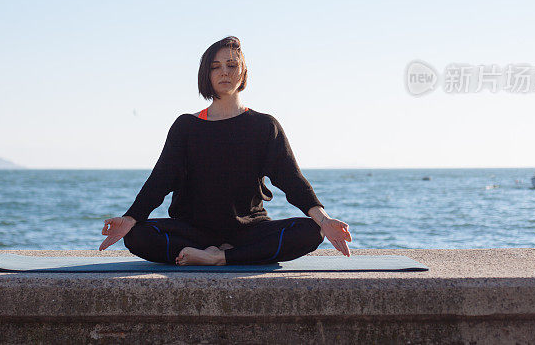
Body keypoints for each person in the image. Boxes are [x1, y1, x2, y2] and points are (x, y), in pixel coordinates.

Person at [99, 36, 352, 265]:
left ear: (243, 72)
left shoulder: (264, 126)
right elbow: (160, 180)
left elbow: (293, 181)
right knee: (136, 236)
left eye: (231, 65)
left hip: (248, 230)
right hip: (192, 231)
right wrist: (129, 218)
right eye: (215, 66)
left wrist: (325, 220)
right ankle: (222, 254)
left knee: (311, 231)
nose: (224, 72)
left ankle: (220, 257)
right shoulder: (186, 126)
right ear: (206, 74)